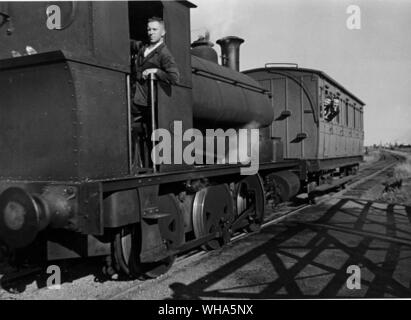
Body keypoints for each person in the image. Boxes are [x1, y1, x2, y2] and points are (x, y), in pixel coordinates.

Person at [132, 16, 180, 114]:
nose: (151, 32)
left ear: (163, 32)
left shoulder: (164, 53)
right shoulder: (143, 48)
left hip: (148, 101)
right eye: (149, 29)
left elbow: (174, 78)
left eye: (154, 29)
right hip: (136, 95)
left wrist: (156, 71)